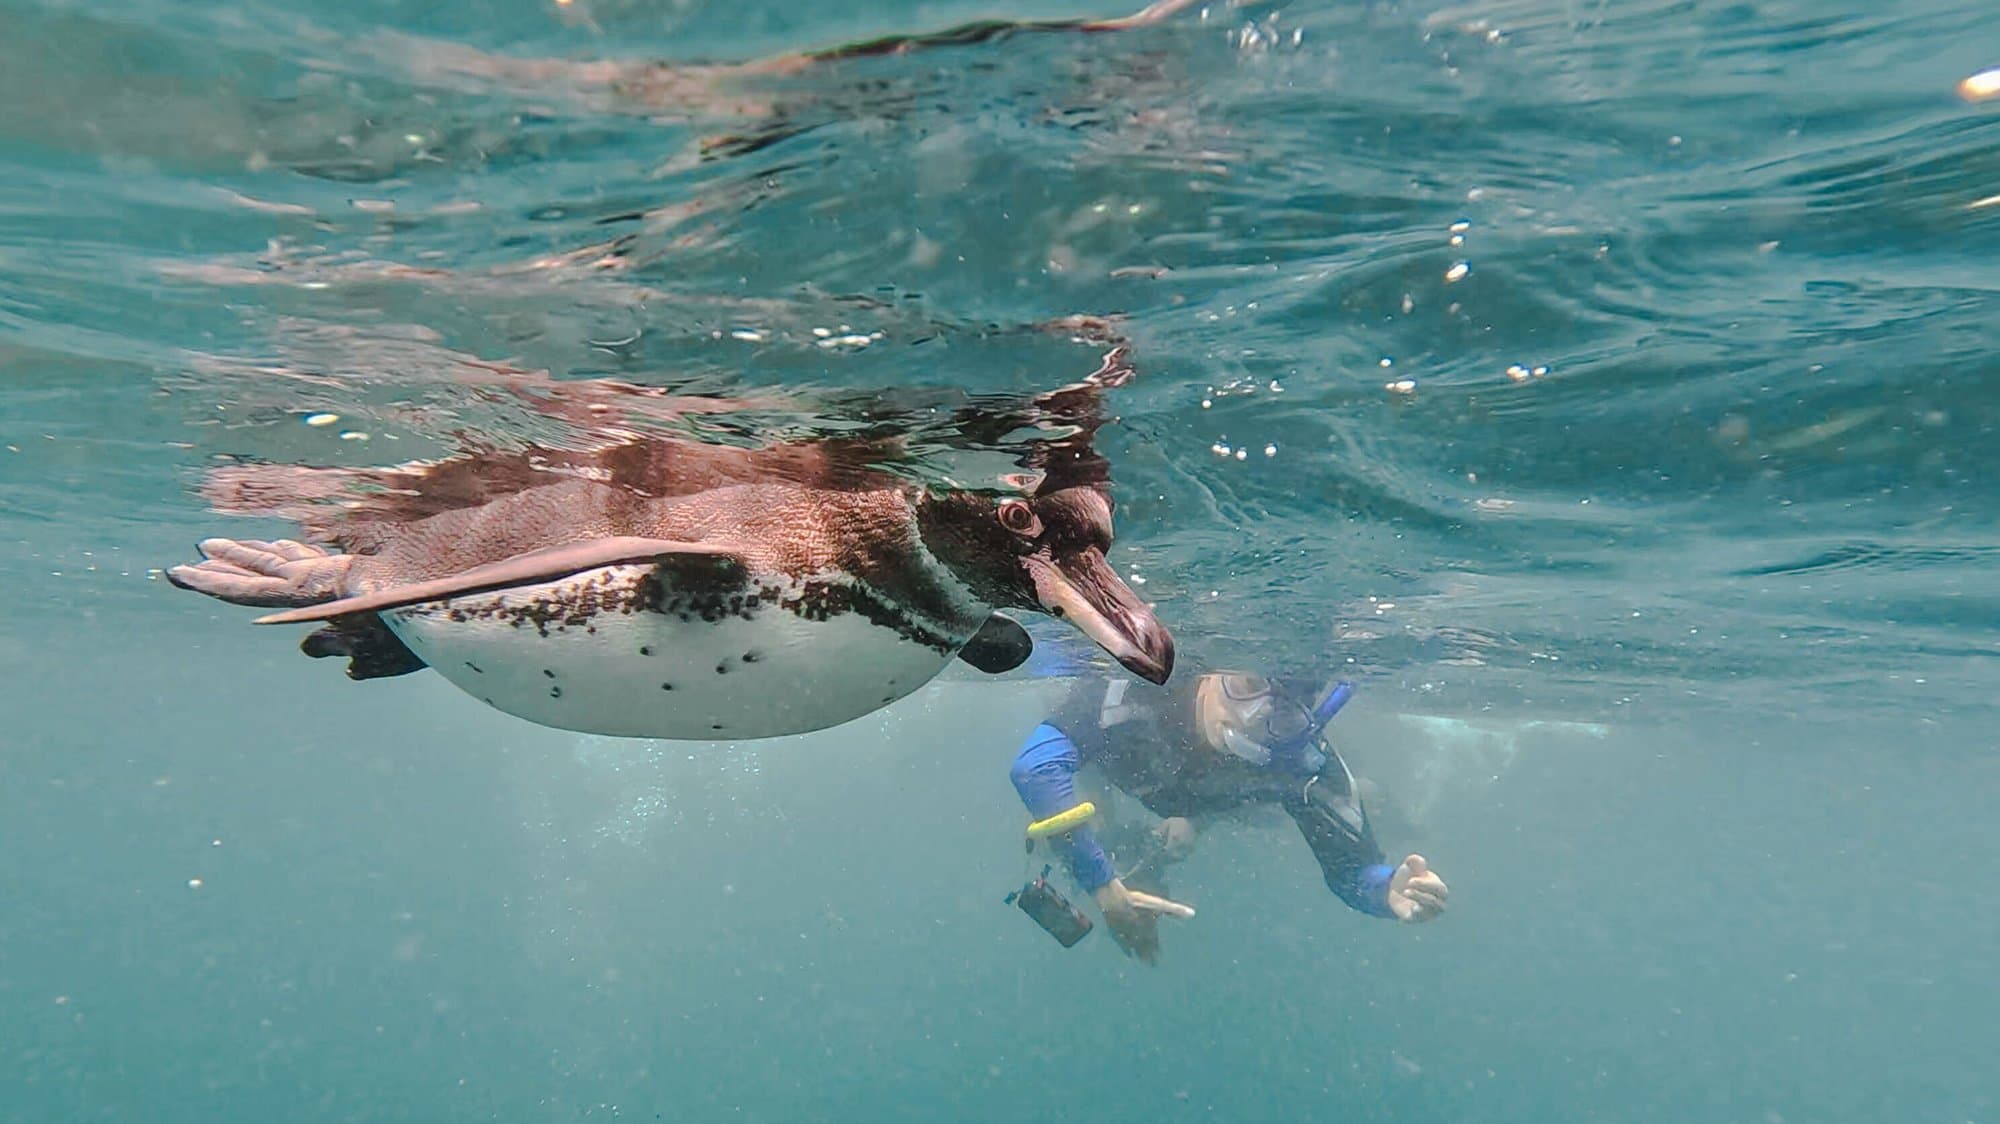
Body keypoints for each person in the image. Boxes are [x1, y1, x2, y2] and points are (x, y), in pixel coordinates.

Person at [1008, 665, 1450, 962]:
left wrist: (1385, 889)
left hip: (1231, 803)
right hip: (1152, 783)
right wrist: (1103, 885)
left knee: (1356, 792)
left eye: (1287, 702)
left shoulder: (1298, 758)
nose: (1252, 716)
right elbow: (1035, 768)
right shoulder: (1133, 688)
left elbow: (1353, 872)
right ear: (1207, 675)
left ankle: (1389, 806)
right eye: (1244, 686)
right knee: (1112, 824)